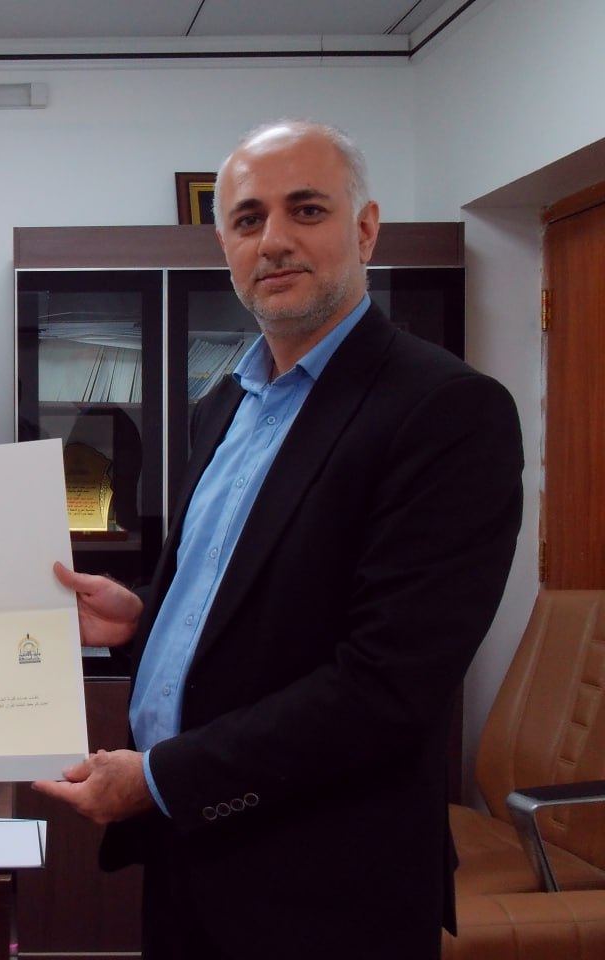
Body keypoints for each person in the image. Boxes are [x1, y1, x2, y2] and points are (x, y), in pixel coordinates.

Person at [34, 120, 523, 959]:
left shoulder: (446, 411)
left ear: (365, 229)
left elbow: (384, 688)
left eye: (307, 210)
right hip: (187, 864)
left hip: (327, 892)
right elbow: (248, 599)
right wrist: (142, 615)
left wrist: (160, 778)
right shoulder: (225, 405)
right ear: (225, 245)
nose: (274, 241)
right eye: (249, 219)